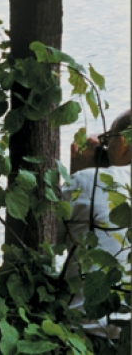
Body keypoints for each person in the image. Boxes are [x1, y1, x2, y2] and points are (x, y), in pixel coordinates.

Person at [57, 109, 131, 340]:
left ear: (122, 141)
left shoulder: (86, 181)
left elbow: (48, 243)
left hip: (94, 335)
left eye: (107, 140)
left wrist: (80, 175)